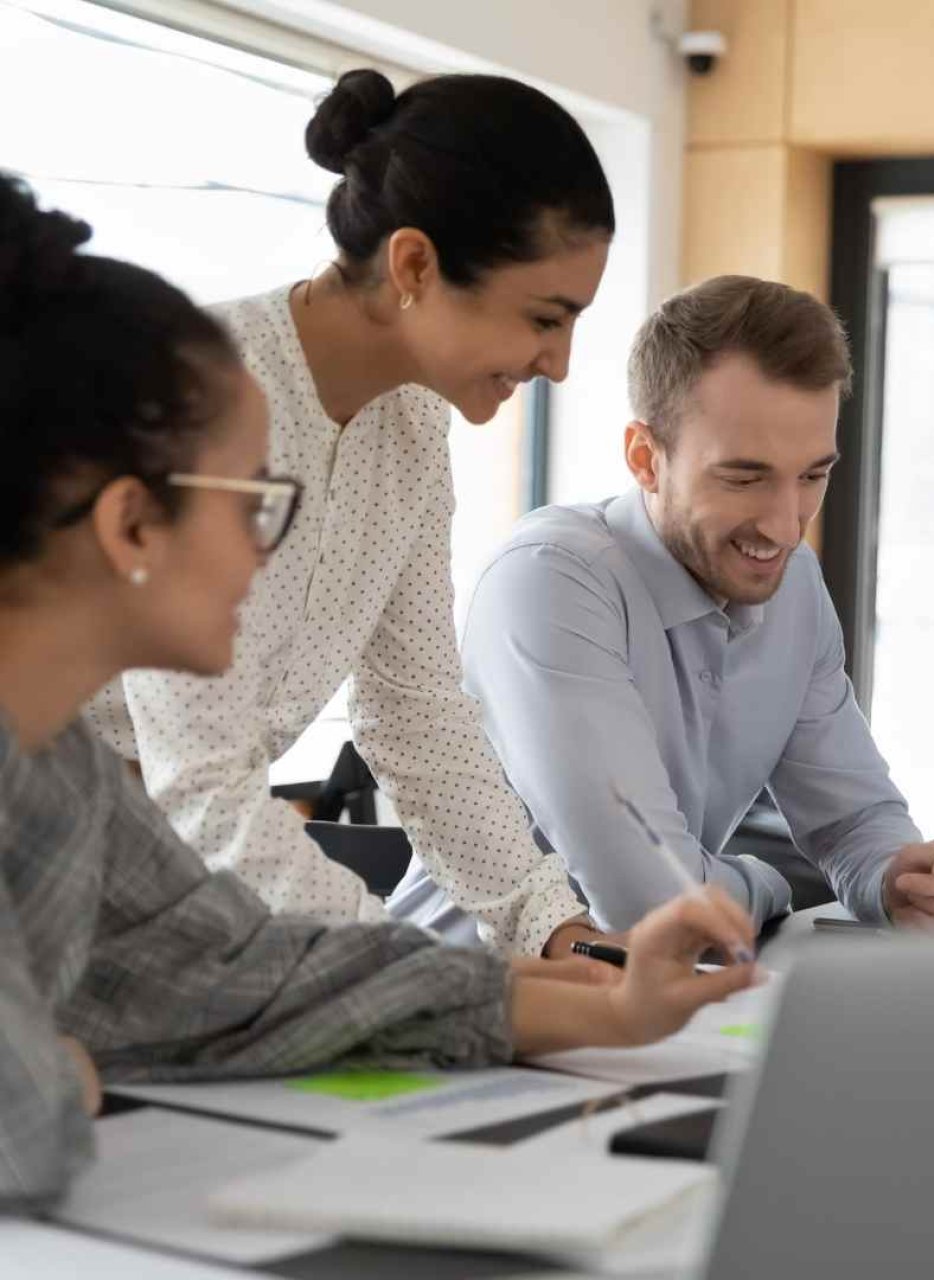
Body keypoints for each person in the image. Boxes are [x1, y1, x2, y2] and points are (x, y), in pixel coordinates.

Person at [0, 175, 757, 1211]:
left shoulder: (62, 768)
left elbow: (251, 969)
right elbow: (23, 1125)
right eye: (260, 504)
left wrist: (596, 997)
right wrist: (54, 1069)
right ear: (131, 525)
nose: (268, 552)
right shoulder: (227, 369)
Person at [86, 69, 620, 956]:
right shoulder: (199, 387)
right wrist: (422, 967)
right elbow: (201, 787)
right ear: (414, 264)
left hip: (158, 881)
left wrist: (553, 928)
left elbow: (414, 715)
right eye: (544, 318)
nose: (558, 363)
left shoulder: (413, 427)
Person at [447, 275, 934, 933]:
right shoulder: (549, 582)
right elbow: (654, 899)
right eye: (744, 477)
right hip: (471, 1005)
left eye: (812, 476)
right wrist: (768, 884)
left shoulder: (794, 585)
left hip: (662, 1005)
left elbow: (852, 818)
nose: (787, 527)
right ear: (645, 458)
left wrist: (901, 878)